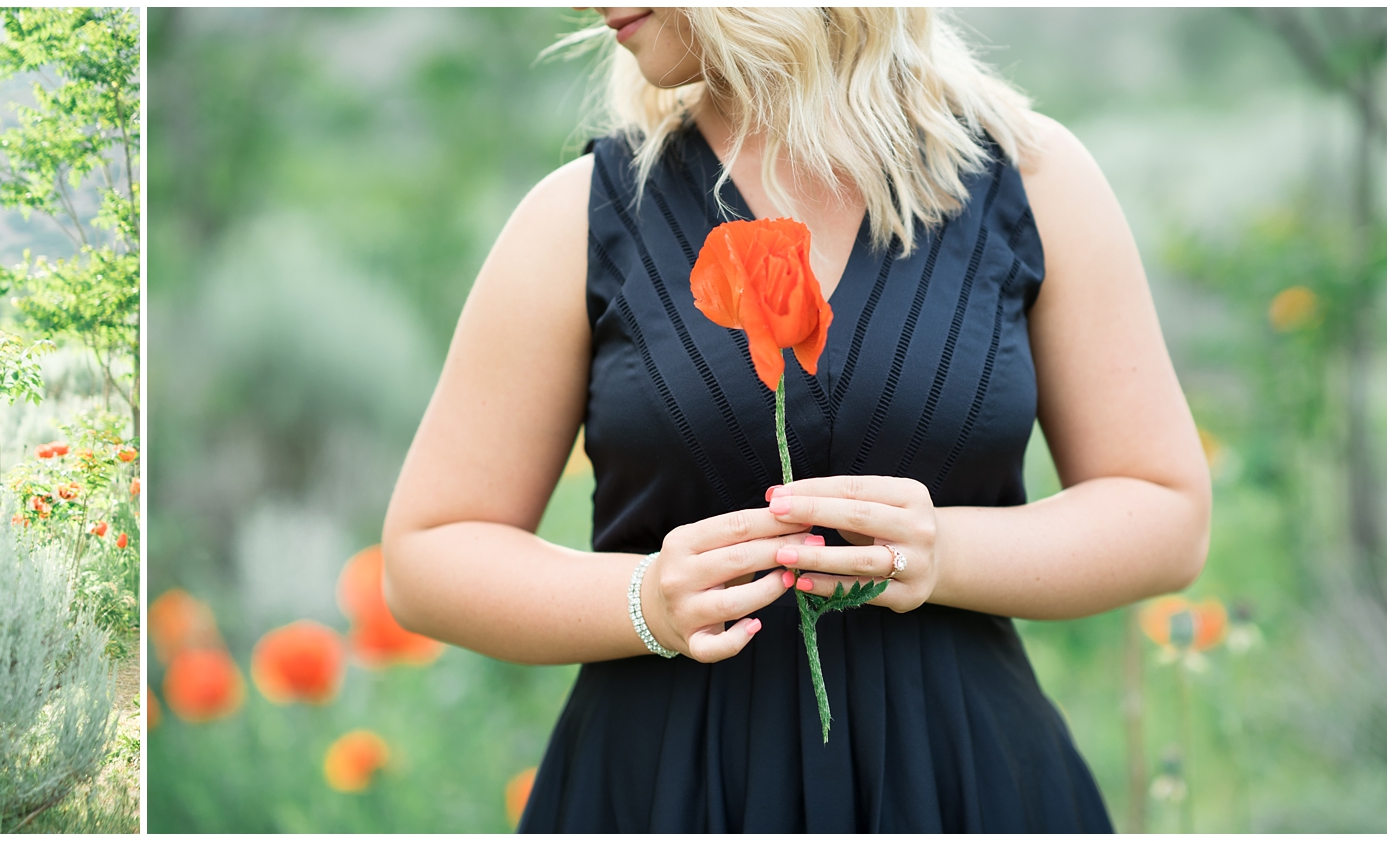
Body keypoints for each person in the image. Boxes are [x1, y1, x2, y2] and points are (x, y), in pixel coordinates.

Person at [380, 8, 1209, 832]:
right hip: (663, 790)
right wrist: (644, 600)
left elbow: (1167, 513)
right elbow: (426, 556)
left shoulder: (1031, 180)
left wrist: (944, 552)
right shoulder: (579, 214)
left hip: (959, 783)